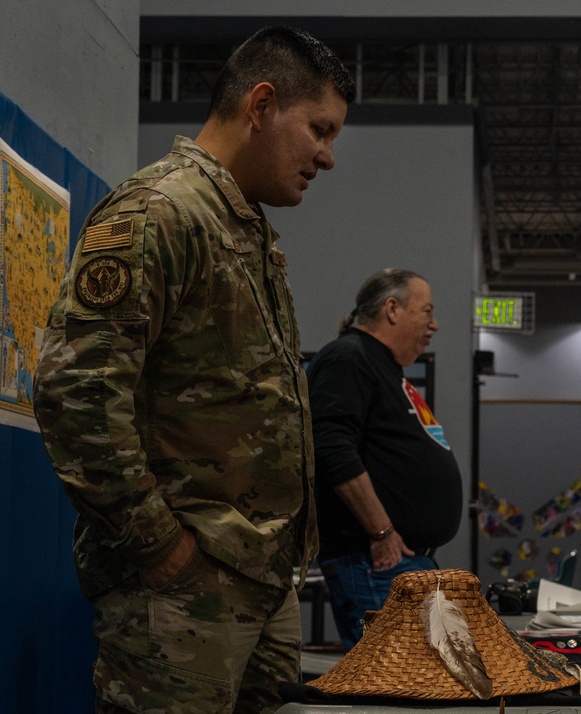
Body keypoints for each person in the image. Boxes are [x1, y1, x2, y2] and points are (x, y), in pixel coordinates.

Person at [32, 26, 355, 714]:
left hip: (257, 576)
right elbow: (76, 393)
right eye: (319, 130)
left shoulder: (240, 225)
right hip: (186, 583)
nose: (327, 158)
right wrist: (157, 542)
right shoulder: (161, 212)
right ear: (262, 105)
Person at [307, 269, 463, 651]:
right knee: (393, 694)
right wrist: (381, 532)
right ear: (392, 309)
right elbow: (332, 447)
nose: (435, 324)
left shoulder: (382, 367)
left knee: (418, 687)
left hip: (400, 562)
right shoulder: (349, 357)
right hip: (376, 562)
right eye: (426, 311)